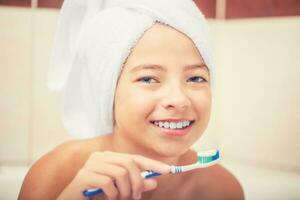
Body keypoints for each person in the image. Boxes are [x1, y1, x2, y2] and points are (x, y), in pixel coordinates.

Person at [18, 0, 244, 200]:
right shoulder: (56, 175)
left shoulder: (221, 189)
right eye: (148, 78)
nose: (178, 99)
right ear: (108, 90)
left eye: (195, 78)